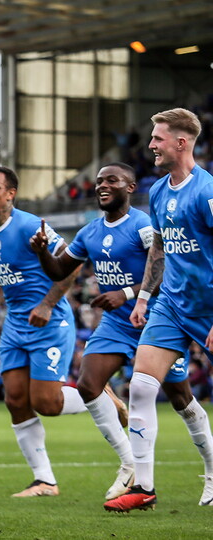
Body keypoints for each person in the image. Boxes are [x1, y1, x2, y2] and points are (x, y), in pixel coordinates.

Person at [33, 162, 209, 501]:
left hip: (155, 320)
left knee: (181, 400)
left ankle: (212, 473)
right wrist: (42, 251)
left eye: (111, 180)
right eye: (99, 180)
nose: (102, 185)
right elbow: (58, 270)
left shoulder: (143, 225)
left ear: (129, 187)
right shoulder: (89, 233)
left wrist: (127, 293)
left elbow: (167, 270)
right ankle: (129, 463)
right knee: (88, 385)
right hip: (116, 324)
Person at [105, 108, 213, 511]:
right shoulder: (159, 191)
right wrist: (146, 297)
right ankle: (144, 489)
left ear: (181, 143)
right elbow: (160, 247)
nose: (150, 144)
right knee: (142, 386)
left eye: (158, 138)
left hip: (208, 305)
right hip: (170, 303)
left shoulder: (206, 192)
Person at [0, 165, 85, 498]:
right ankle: (45, 481)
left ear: (11, 193)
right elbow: (3, 275)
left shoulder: (29, 224)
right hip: (14, 326)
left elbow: (73, 262)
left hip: (47, 321)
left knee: (47, 404)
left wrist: (48, 304)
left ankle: (95, 393)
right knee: (15, 400)